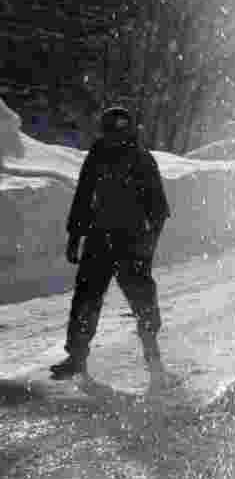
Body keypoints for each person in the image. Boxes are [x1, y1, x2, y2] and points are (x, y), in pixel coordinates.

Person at [49, 106, 171, 384]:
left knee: (143, 302)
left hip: (132, 242)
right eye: (108, 133)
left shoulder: (142, 160)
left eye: (117, 132)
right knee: (86, 298)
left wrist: (148, 246)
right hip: (98, 239)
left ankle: (154, 360)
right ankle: (76, 357)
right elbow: (83, 196)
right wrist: (74, 236)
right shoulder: (96, 156)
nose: (112, 138)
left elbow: (159, 209)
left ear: (127, 132)